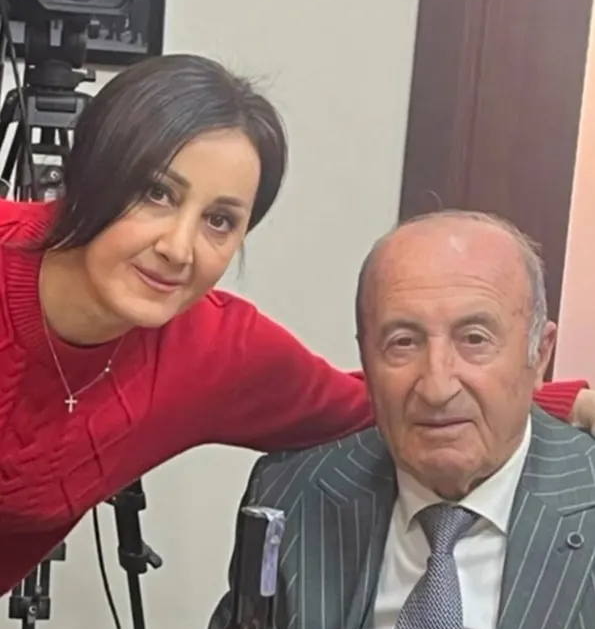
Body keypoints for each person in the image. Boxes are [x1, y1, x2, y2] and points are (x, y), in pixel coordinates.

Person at [0, 54, 590, 598]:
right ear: (93, 170)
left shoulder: (216, 352)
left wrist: (559, 397)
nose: (179, 248)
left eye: (219, 221)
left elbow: (371, 402)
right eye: (156, 194)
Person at [209, 211, 595, 629]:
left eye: (475, 339)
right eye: (402, 342)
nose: (436, 386)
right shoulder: (292, 491)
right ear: (366, 358)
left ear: (540, 354)